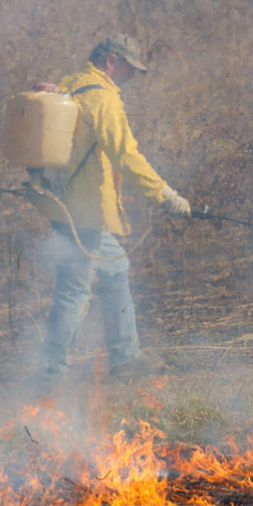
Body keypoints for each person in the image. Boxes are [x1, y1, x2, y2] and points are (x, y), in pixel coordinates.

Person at [26, 33, 191, 380]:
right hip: (84, 213)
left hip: (63, 206)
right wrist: (164, 195)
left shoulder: (70, 84)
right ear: (111, 61)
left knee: (116, 270)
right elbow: (125, 155)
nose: (131, 76)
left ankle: (125, 356)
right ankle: (51, 373)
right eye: (129, 68)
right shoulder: (101, 98)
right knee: (75, 287)